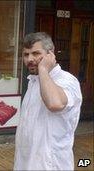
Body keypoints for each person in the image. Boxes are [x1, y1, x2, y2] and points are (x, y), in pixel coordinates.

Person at [14, 32, 82, 170]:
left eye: (36, 53)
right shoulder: (34, 80)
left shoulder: (67, 80)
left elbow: (55, 103)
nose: (30, 59)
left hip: (50, 164)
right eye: (26, 55)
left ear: (50, 54)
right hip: (26, 162)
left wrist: (44, 69)